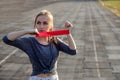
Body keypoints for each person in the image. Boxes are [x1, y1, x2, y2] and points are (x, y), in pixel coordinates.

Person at [2, 10, 77, 80]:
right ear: (35, 25)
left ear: (50, 26)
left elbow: (72, 51)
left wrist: (68, 33)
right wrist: (26, 31)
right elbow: (6, 39)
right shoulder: (30, 42)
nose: (41, 26)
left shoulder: (55, 41)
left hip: (53, 78)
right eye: (38, 23)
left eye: (45, 23)